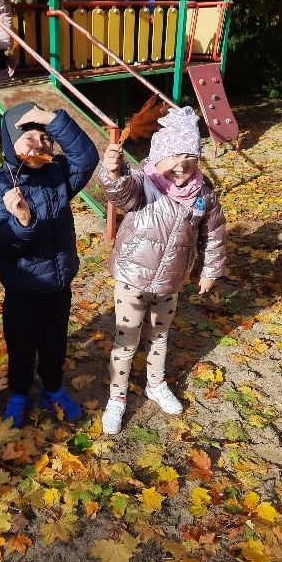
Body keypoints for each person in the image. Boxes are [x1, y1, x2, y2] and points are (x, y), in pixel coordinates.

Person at [98, 106, 226, 435]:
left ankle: (155, 384)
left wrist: (210, 269)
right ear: (158, 156)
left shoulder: (203, 195)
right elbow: (119, 192)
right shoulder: (143, 184)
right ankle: (117, 397)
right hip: (132, 278)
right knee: (126, 341)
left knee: (159, 337)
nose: (182, 164)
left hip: (170, 281)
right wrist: (113, 172)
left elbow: (213, 234)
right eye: (175, 155)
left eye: (190, 156)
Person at [0, 103, 99, 428]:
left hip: (59, 283)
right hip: (23, 288)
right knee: (21, 347)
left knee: (54, 343)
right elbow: (2, 240)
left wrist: (53, 120)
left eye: (46, 137)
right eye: (29, 138)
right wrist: (21, 220)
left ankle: (52, 389)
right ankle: (19, 394)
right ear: (10, 142)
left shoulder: (57, 173)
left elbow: (87, 159)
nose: (39, 144)